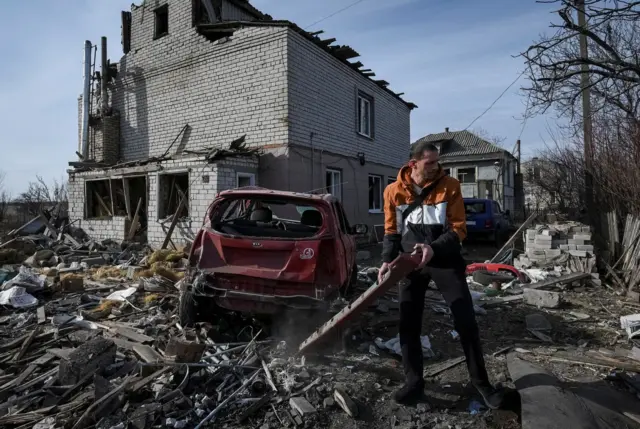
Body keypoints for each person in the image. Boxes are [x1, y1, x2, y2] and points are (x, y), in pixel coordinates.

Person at [378, 141, 504, 409]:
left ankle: (481, 384)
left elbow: (459, 230)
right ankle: (413, 384)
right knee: (408, 324)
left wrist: (432, 248)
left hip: (444, 260)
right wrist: (386, 262)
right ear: (414, 164)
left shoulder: (450, 186)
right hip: (410, 263)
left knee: (466, 321)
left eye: (437, 161)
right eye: (430, 163)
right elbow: (391, 231)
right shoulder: (392, 191)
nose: (437, 167)